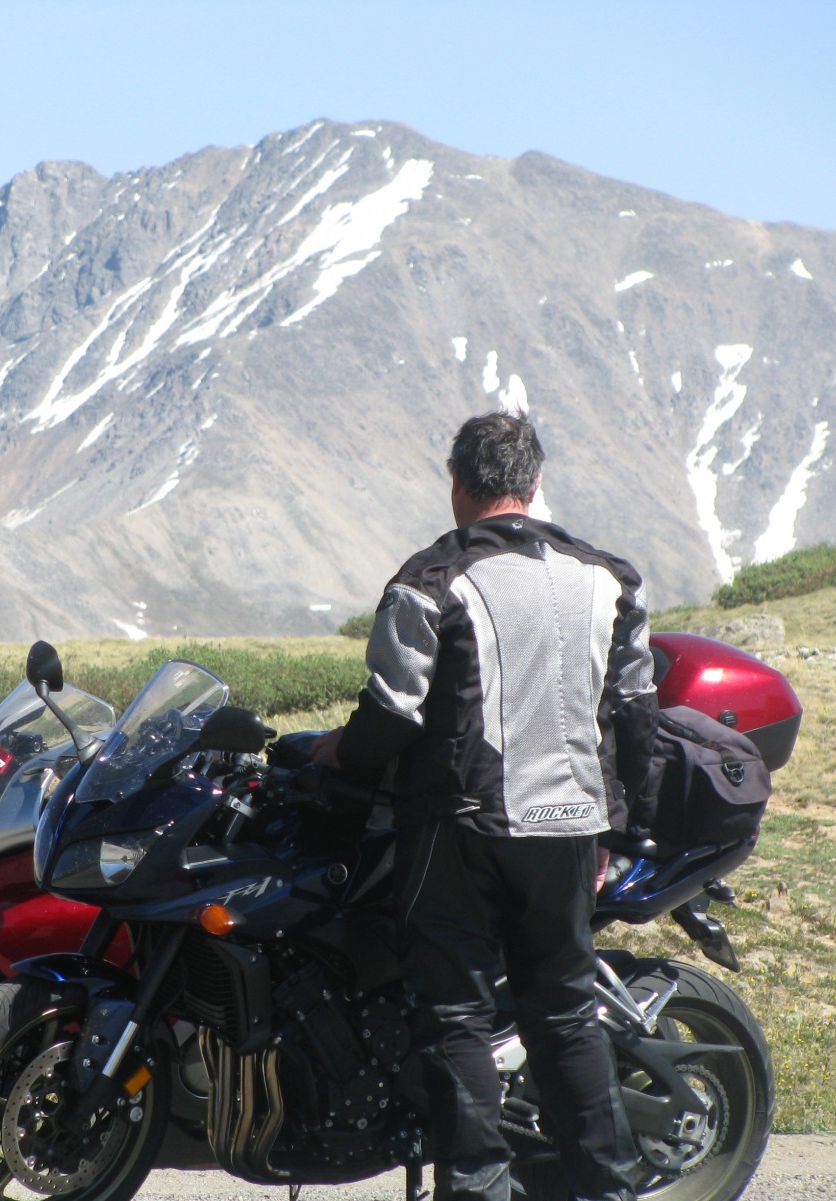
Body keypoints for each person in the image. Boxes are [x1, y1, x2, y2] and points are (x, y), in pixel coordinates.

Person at [309, 411, 658, 1201]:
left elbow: (391, 715)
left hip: (460, 830)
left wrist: (336, 755)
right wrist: (631, 830)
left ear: (459, 486)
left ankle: (478, 1190)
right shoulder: (612, 578)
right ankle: (605, 1189)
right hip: (571, 829)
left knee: (456, 1016)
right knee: (565, 1013)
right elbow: (638, 712)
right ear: (534, 486)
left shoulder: (430, 578)